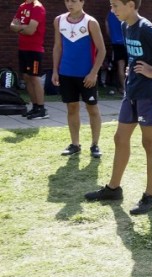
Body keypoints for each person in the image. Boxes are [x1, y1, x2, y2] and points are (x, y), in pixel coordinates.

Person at [84, 0, 152, 216]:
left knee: (148, 142)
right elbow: (136, 54)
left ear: (130, 5)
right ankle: (113, 189)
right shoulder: (124, 26)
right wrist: (132, 68)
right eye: (111, 5)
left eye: (115, 5)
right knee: (120, 138)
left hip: (150, 95)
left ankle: (150, 196)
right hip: (132, 92)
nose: (112, 10)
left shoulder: (145, 27)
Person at [51, 0, 106, 159]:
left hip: (86, 75)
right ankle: (75, 144)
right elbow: (58, 46)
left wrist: (93, 73)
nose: (70, 4)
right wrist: (55, 70)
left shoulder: (91, 22)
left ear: (82, 2)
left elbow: (102, 50)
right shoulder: (59, 20)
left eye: (74, 0)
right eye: (67, 0)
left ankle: (95, 144)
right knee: (72, 108)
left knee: (92, 109)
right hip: (66, 73)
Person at [10, 0, 48, 120]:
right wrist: (22, 27)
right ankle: (35, 107)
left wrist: (18, 27)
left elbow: (31, 30)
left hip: (34, 50)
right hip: (23, 48)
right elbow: (12, 26)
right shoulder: (22, 6)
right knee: (27, 77)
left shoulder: (38, 8)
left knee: (35, 77)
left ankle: (42, 109)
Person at [105, 10, 126, 95]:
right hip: (127, 42)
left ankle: (124, 89)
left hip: (116, 44)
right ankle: (131, 88)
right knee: (132, 67)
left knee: (121, 66)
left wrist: (113, 38)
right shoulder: (124, 13)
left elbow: (107, 30)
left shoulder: (109, 15)